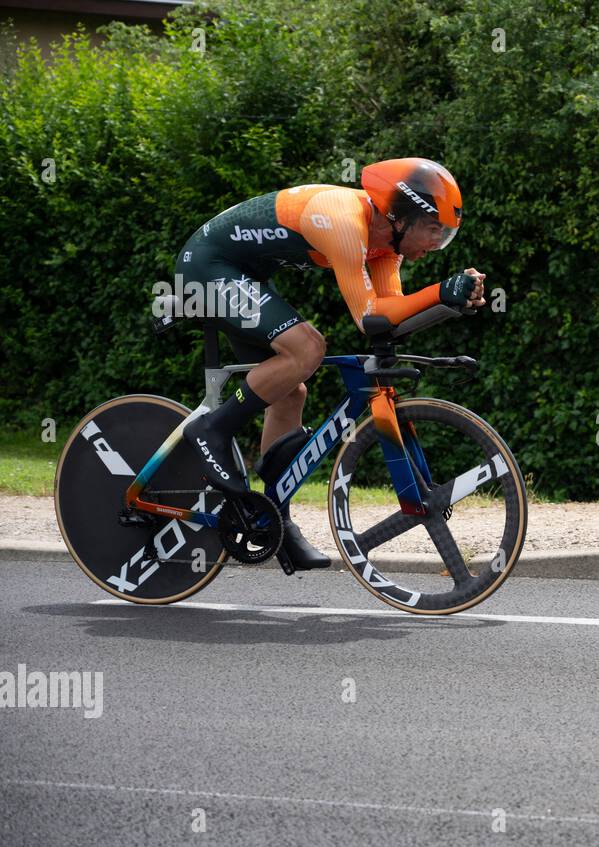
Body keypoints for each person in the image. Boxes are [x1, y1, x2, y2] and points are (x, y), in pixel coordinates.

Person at [175, 158, 487, 568]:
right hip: (207, 266)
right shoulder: (343, 219)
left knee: (290, 393)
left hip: (244, 274)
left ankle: (273, 518)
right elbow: (367, 316)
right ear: (401, 216)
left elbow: (389, 320)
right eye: (434, 230)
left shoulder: (385, 246)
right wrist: (438, 291)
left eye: (444, 235)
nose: (436, 243)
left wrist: (451, 301)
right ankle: (210, 429)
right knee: (307, 348)